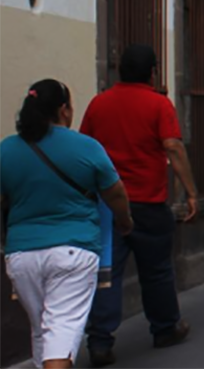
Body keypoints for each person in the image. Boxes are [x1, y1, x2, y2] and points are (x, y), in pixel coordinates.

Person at [0, 79, 133, 369]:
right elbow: (115, 193)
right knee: (59, 331)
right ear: (64, 110)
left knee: (43, 329)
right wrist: (125, 221)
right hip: (73, 250)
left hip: (22, 256)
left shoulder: (7, 150)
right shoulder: (87, 147)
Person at [83, 45, 200, 366]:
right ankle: (165, 328)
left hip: (107, 204)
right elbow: (173, 147)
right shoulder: (158, 104)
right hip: (148, 203)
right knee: (157, 271)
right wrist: (191, 192)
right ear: (152, 72)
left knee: (107, 273)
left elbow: (86, 147)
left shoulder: (99, 103)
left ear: (120, 70)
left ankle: (100, 341)